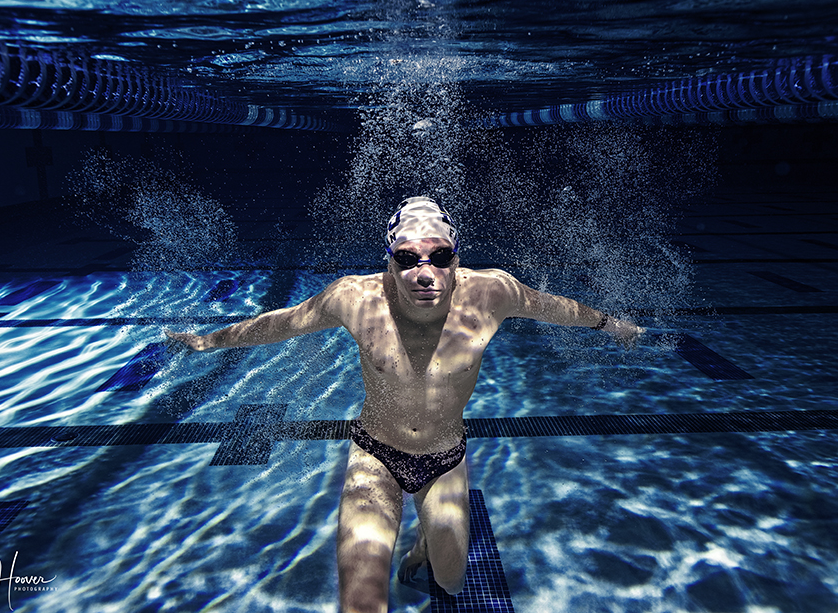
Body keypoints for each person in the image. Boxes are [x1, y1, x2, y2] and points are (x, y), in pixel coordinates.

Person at [166, 196, 643, 613]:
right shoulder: (354, 298)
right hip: (376, 455)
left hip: (444, 459)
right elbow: (282, 323)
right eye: (407, 258)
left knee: (451, 582)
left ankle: (425, 541)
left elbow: (552, 306)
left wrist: (608, 324)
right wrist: (208, 342)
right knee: (361, 602)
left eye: (439, 256)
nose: (424, 273)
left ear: (457, 258)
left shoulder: (491, 292)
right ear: (389, 262)